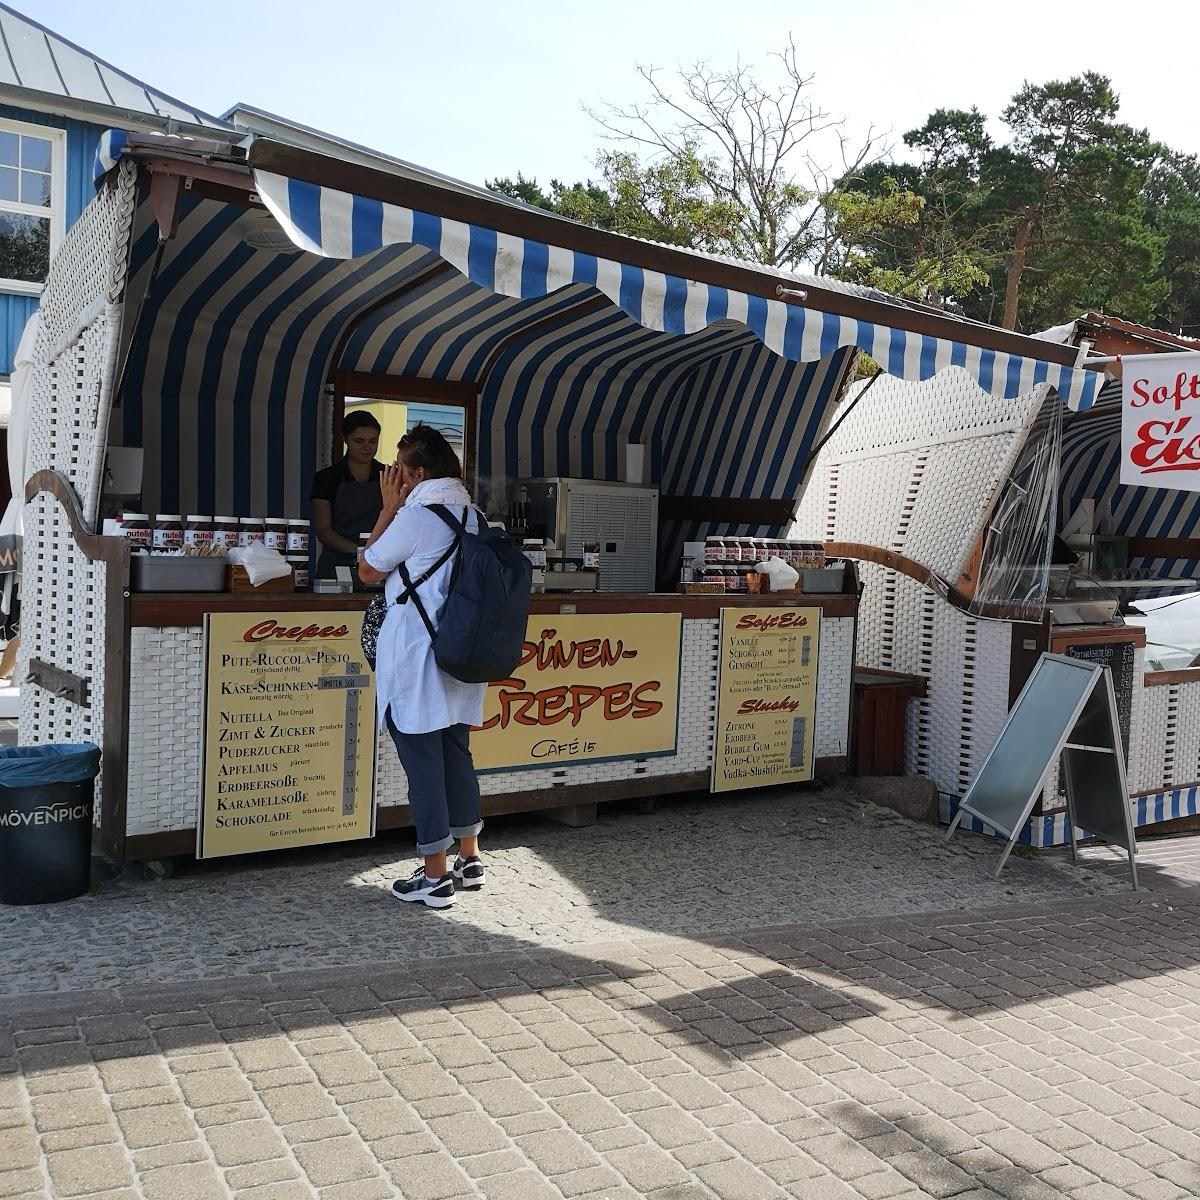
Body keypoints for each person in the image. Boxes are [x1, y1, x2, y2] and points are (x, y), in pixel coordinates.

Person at [358, 424, 486, 909]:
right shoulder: (474, 516)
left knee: (423, 765)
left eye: (399, 471)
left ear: (418, 473)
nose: (394, 478)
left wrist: (388, 509)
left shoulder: (415, 517)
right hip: (459, 654)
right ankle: (469, 858)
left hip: (415, 656)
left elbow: (368, 570)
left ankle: (434, 876)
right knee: (456, 753)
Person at [310, 411, 386, 581]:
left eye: (373, 441)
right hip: (336, 565)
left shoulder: (388, 476)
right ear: (345, 439)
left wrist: (374, 555)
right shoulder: (327, 478)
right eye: (359, 441)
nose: (367, 447)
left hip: (378, 564)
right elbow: (323, 531)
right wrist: (359, 551)